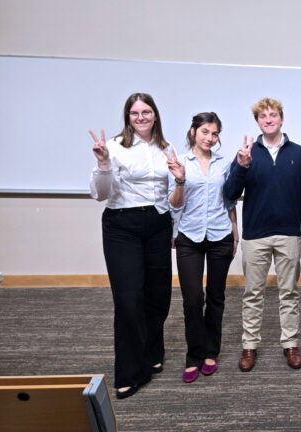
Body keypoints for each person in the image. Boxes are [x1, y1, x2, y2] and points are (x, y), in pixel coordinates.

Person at [89, 92, 182, 399]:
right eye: (134, 113)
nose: (141, 117)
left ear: (155, 114)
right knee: (129, 299)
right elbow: (100, 194)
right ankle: (130, 372)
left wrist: (174, 228)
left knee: (158, 297)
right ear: (127, 117)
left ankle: (153, 351)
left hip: (157, 224)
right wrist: (103, 164)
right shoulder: (114, 147)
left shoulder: (166, 148)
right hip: (121, 226)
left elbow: (173, 194)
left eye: (146, 111)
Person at [223, 97, 301, 371]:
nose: (269, 119)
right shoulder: (246, 154)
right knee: (253, 293)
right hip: (255, 235)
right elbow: (229, 194)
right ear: (258, 122)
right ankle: (249, 346)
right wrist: (242, 166)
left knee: (289, 292)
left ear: (282, 118)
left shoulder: (300, 153)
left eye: (273, 115)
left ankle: (290, 344)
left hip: (288, 234)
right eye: (263, 116)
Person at [167, 112, 238, 384]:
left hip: (220, 233)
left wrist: (234, 228)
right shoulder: (180, 162)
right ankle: (193, 354)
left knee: (216, 296)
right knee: (193, 298)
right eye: (205, 132)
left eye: (215, 133)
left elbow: (229, 199)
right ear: (194, 131)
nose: (210, 138)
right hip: (189, 235)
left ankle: (211, 351)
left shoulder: (225, 164)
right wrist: (181, 180)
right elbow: (174, 204)